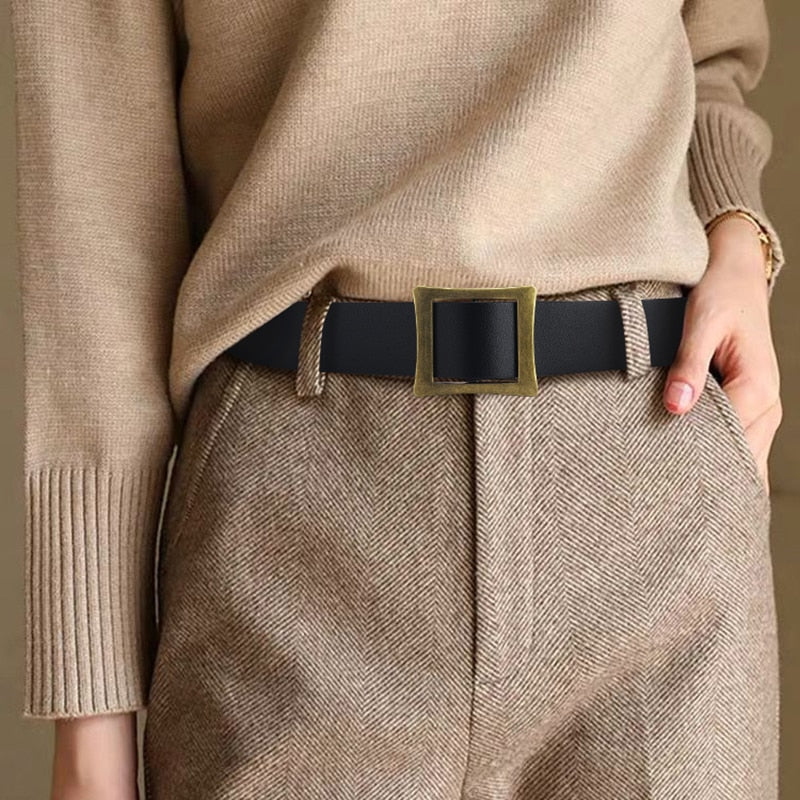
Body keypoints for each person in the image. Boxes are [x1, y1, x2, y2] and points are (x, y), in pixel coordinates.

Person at [10, 1, 784, 799]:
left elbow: (711, 51)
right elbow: (91, 178)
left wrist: (736, 228)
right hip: (300, 525)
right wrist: (91, 718)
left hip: (652, 482)